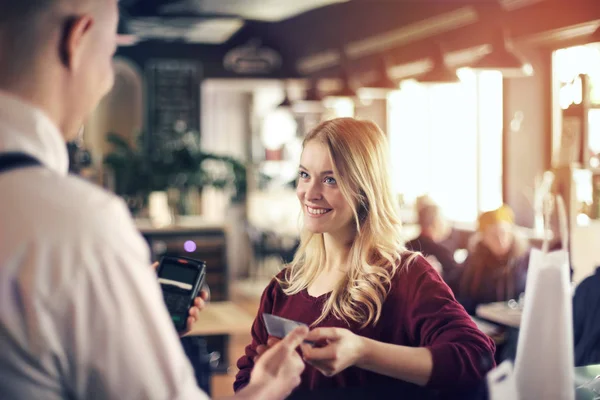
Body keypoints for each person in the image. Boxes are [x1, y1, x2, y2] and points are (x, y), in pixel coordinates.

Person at [0, 1, 307, 399]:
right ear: (76, 39)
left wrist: (131, 326)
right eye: (110, 53)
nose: (107, 79)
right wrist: (266, 388)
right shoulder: (79, 227)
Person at [234, 118, 496, 398]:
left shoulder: (406, 276)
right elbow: (246, 380)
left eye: (330, 179)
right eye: (304, 175)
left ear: (364, 190)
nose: (310, 193)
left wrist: (362, 352)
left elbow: (476, 359)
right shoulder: (283, 287)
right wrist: (269, 377)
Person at [456, 205, 530, 315]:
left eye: (503, 233)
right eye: (493, 235)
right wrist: (479, 309)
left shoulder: (526, 258)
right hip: (484, 321)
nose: (500, 240)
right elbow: (462, 295)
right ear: (483, 238)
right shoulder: (474, 260)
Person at [405, 201, 462, 290]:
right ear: (436, 223)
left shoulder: (406, 246)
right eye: (444, 220)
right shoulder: (441, 253)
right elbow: (457, 286)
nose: (446, 224)